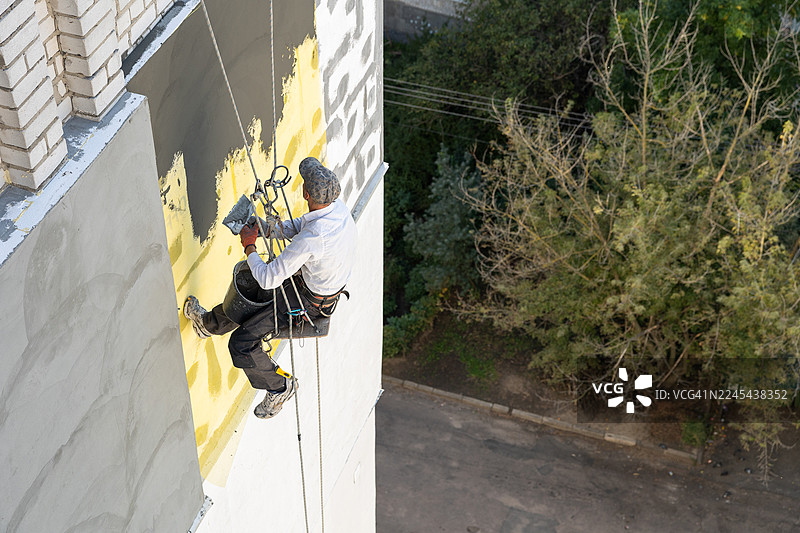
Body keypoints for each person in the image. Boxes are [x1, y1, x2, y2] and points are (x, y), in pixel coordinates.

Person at [183, 157, 357, 419]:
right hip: (311, 285)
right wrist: (268, 229)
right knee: (249, 298)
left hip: (308, 303)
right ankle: (208, 325)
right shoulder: (336, 209)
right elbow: (301, 226)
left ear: (306, 193)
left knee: (242, 343)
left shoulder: (314, 238)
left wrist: (249, 245)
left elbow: (268, 278)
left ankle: (280, 387)